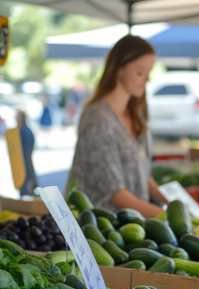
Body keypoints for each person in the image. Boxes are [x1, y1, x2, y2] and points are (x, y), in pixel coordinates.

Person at [66, 34, 168, 218]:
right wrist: (163, 216)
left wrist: (175, 202)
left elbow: (140, 173)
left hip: (130, 225)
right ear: (119, 68)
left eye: (148, 72)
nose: (147, 79)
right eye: (140, 72)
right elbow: (113, 192)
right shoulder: (97, 118)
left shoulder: (137, 113)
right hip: (96, 228)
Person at [16, 109, 39, 196]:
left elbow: (27, 149)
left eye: (18, 116)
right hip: (23, 163)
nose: (16, 118)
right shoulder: (25, 130)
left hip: (24, 163)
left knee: (27, 188)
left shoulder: (24, 131)